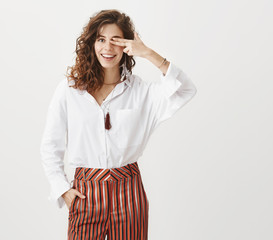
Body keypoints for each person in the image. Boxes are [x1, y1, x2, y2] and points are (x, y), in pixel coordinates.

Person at [40, 9, 197, 240]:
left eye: (116, 41)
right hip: (85, 192)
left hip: (129, 191)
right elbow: (50, 145)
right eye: (101, 40)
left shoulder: (141, 92)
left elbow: (186, 90)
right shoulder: (70, 90)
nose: (107, 48)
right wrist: (62, 190)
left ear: (127, 46)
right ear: (92, 44)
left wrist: (149, 53)